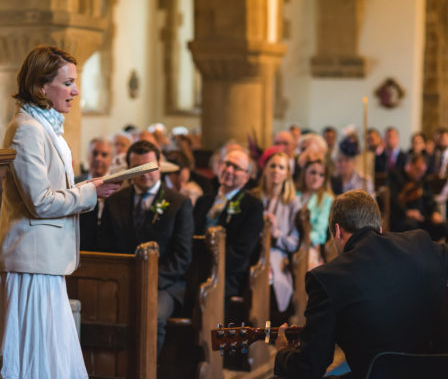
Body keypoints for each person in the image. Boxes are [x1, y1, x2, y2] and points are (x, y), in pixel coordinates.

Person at [0, 45, 120, 379]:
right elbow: (39, 202)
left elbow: (50, 191)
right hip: (29, 264)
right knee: (28, 372)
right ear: (42, 87)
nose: (75, 91)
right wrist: (90, 195)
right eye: (67, 82)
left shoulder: (46, 128)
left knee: (41, 370)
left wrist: (89, 187)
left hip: (43, 262)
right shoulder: (27, 129)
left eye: (75, 82)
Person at [257, 190, 448, 379]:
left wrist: (283, 352)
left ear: (338, 231)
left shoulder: (326, 278)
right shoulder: (420, 244)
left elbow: (311, 367)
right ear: (378, 227)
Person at [99, 140, 194, 354]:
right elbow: (105, 247)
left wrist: (149, 279)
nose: (144, 174)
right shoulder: (115, 201)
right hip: (122, 280)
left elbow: (182, 257)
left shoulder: (179, 203)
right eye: (137, 168)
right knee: (99, 309)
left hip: (165, 285)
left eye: (149, 167)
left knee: (151, 316)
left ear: (159, 166)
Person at [193, 148, 264, 304]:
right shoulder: (203, 201)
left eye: (236, 168)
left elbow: (242, 250)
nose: (229, 170)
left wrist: (213, 266)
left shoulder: (252, 206)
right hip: (196, 269)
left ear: (246, 177)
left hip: (228, 274)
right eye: (227, 164)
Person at [251, 149, 301, 322]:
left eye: (281, 167)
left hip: (277, 256)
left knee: (269, 283)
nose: (276, 170)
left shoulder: (292, 202)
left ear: (287, 173)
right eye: (272, 166)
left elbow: (294, 243)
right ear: (264, 169)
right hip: (253, 252)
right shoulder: (255, 197)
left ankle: (267, 336)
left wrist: (276, 234)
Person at [388, 153, 446, 241]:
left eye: (423, 172)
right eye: (417, 170)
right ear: (410, 165)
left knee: (442, 227)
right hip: (402, 217)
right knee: (412, 227)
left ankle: (431, 252)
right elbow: (392, 200)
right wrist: (407, 212)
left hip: (422, 218)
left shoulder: (423, 179)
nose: (420, 174)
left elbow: (429, 199)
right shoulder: (396, 176)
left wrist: (435, 212)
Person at [295, 150, 334, 269]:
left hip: (310, 243)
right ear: (304, 173)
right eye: (312, 172)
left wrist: (303, 241)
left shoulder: (327, 199)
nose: (316, 177)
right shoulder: (295, 194)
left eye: (321, 175)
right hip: (291, 239)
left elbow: (320, 232)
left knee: (305, 261)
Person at [75, 137, 113, 250]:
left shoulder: (119, 185)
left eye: (104, 155)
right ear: (88, 156)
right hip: (79, 247)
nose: (98, 158)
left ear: (111, 158)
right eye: (95, 153)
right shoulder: (74, 183)